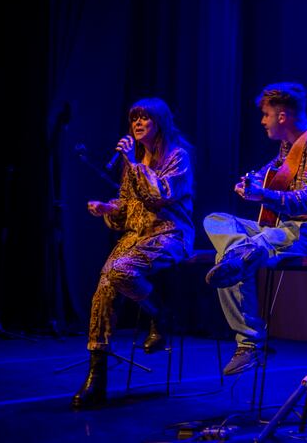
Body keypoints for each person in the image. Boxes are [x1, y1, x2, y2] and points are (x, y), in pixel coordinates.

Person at [203, 82, 307, 376]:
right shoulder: (287, 147)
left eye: (266, 115)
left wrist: (263, 195)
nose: (262, 121)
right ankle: (241, 253)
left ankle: (249, 343)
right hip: (284, 229)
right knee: (215, 220)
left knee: (247, 247)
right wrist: (250, 184)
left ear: (282, 116)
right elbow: (266, 173)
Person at [72, 97, 194, 409]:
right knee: (104, 288)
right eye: (134, 119)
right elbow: (127, 206)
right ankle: (97, 377)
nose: (137, 124)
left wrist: (131, 162)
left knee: (120, 270)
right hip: (136, 235)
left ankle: (158, 314)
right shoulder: (134, 162)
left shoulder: (178, 157)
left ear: (160, 123)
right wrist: (108, 208)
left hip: (169, 233)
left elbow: (157, 196)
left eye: (144, 118)